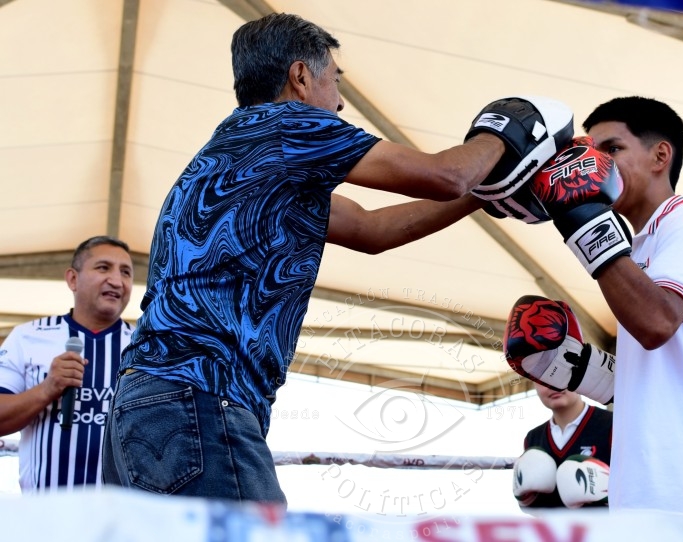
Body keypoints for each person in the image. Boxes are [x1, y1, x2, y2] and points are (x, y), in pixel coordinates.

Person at [101, 12, 572, 504]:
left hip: (143, 407)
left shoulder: (238, 153)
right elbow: (444, 176)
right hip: (199, 397)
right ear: (301, 77)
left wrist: (489, 189)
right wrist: (511, 133)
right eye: (335, 81)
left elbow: (371, 230)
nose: (341, 102)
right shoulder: (288, 126)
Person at [519, 96, 683, 531]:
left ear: (660, 156)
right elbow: (650, 383)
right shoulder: (637, 251)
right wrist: (577, 368)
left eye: (611, 149)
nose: (594, 164)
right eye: (590, 152)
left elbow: (656, 323)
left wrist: (584, 223)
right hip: (641, 494)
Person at [0, 236, 134, 492]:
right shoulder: (27, 337)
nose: (117, 281)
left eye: (125, 272)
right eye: (103, 268)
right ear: (73, 279)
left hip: (119, 511)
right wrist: (46, 389)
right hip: (45, 511)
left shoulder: (146, 348)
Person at [512, 381, 612, 510]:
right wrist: (526, 499)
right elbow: (535, 509)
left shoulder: (613, 425)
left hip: (607, 523)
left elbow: (633, 492)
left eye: (561, 375)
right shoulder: (533, 437)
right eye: (542, 380)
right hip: (551, 524)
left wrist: (605, 492)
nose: (553, 385)